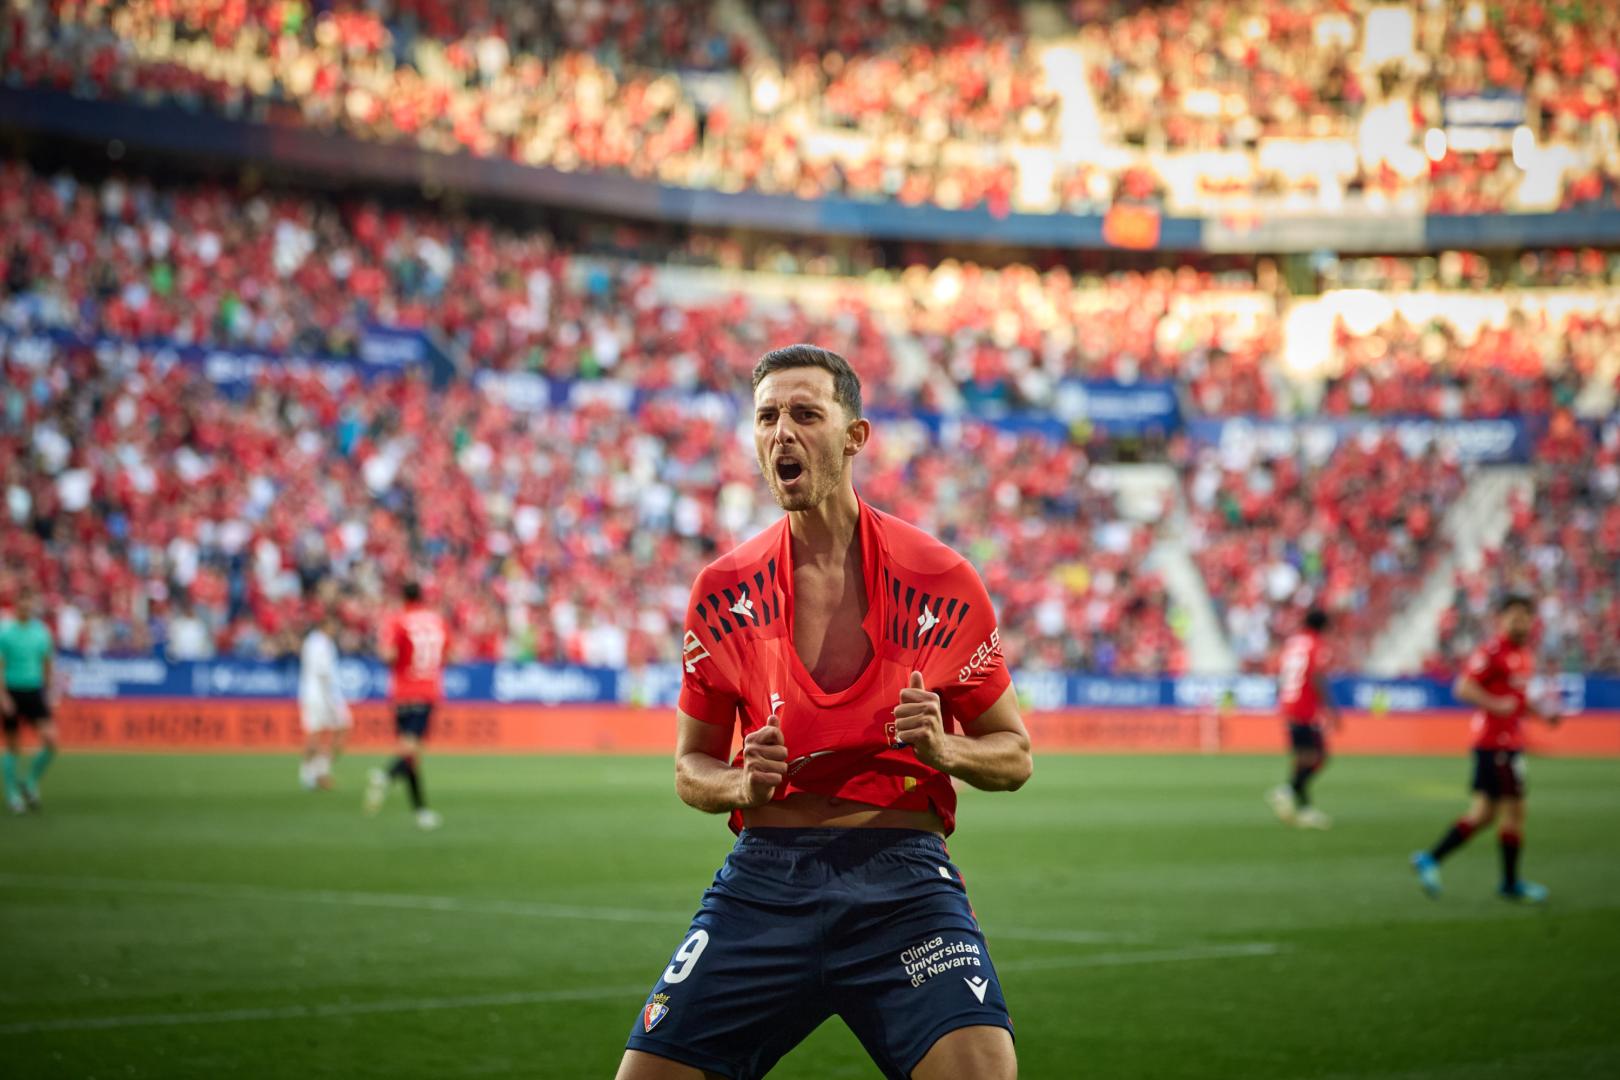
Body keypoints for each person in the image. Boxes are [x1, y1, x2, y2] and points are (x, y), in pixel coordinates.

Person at [617, 345, 1033, 1080]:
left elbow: (1014, 755)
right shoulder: (722, 590)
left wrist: (947, 752)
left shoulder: (940, 577)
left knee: (984, 1071)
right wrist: (741, 788)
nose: (783, 432)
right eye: (768, 416)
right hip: (763, 883)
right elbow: (691, 767)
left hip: (902, 883)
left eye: (806, 414)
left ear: (855, 436)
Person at [1411, 594, 1558, 902]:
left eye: (1525, 617)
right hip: (1496, 744)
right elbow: (1463, 687)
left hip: (1506, 743)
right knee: (1515, 812)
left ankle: (1431, 858)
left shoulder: (1523, 654)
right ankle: (1509, 883)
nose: (1521, 623)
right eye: (1514, 617)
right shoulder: (1492, 651)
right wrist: (1496, 704)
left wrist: (1541, 714)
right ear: (1500, 619)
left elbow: (1516, 699)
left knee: (1483, 814)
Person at [365, 581, 447, 830]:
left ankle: (420, 811)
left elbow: (388, 655)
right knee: (412, 751)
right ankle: (386, 775)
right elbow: (450, 654)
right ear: (422, 596)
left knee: (409, 752)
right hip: (425, 691)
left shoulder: (397, 620)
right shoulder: (436, 621)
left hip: (401, 693)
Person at [1267, 608, 1341, 829]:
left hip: (1289, 702)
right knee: (1319, 756)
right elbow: (1317, 675)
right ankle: (1287, 791)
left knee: (1303, 758)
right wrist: (1330, 708)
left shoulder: (1293, 642)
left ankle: (1304, 808)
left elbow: (1281, 671)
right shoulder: (1315, 644)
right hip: (1304, 706)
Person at [0, 592, 60, 814]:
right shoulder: (5, 632)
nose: (26, 608)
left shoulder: (41, 632)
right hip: (12, 691)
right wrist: (3, 696)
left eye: (29, 604)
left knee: (51, 740)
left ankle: (30, 781)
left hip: (34, 690)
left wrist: (50, 691)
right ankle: (13, 795)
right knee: (13, 745)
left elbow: (47, 664)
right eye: (22, 604)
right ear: (16, 606)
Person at [298, 607, 351, 791]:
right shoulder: (317, 644)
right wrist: (331, 699)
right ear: (325, 625)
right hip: (319, 694)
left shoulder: (324, 642)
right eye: (333, 626)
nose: (335, 629)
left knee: (341, 728)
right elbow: (322, 673)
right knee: (316, 733)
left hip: (325, 693)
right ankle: (309, 774)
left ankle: (319, 771)